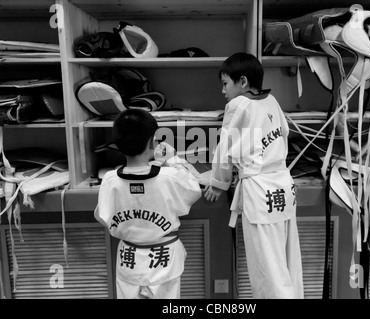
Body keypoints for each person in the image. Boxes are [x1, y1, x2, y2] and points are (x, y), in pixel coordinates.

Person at [204, 52, 304, 299]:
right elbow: (284, 131)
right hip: (282, 185)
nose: (223, 91)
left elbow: (224, 148)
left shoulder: (238, 105)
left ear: (243, 82)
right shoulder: (271, 101)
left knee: (268, 270)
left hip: (260, 192)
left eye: (225, 83)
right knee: (287, 262)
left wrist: (219, 183)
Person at [94, 108, 202, 299]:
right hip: (164, 259)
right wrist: (173, 159)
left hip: (130, 259)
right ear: (153, 141)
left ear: (118, 144)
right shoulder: (170, 177)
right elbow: (194, 189)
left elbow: (102, 216)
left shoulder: (109, 180)